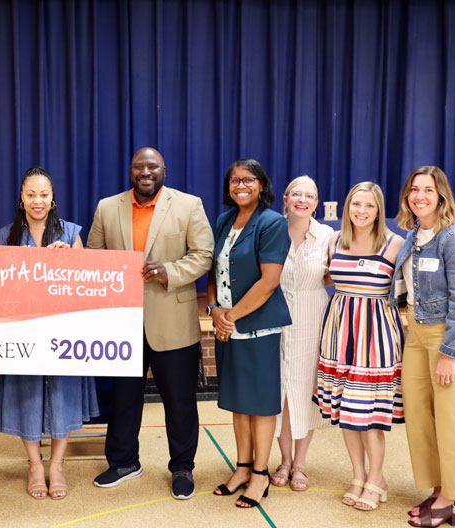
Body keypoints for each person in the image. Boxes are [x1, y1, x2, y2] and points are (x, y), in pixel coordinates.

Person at [86, 147, 214, 500]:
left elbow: (203, 255)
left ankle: (182, 467)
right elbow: (94, 259)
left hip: (173, 320)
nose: (145, 172)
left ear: (164, 170)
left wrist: (169, 271)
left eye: (152, 167)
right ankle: (124, 461)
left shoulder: (189, 205)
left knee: (180, 401)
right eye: (138, 167)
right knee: (123, 398)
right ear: (131, 171)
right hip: (123, 322)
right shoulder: (107, 207)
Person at [0, 166, 100, 500]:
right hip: (22, 333)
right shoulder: (3, 236)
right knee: (27, 395)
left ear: (53, 199)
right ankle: (34, 465)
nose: (37, 201)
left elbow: (90, 283)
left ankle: (57, 465)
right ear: (21, 198)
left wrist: (73, 259)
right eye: (31, 194)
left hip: (62, 332)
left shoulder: (69, 233)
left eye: (44, 194)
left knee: (61, 395)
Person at [390, 166, 455, 528]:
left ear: (441, 195)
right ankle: (439, 487)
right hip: (418, 333)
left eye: (428, 190)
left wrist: (450, 353)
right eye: (414, 190)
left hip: (448, 337)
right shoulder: (413, 236)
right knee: (421, 418)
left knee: (452, 419)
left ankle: (453, 499)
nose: (420, 196)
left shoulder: (453, 238)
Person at [315, 181, 404, 511]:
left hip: (376, 337)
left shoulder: (395, 244)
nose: (361, 211)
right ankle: (358, 475)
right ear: (347, 207)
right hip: (339, 333)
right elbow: (325, 277)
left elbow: (411, 289)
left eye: (368, 205)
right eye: (356, 204)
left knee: (370, 415)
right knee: (348, 412)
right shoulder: (335, 239)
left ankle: (376, 478)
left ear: (379, 210)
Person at [207, 159, 291, 509]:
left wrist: (231, 317)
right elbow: (212, 269)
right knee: (240, 403)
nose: (240, 185)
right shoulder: (224, 220)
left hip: (257, 326)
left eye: (248, 179)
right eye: (234, 180)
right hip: (228, 323)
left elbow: (269, 281)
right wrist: (214, 310)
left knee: (260, 402)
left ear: (261, 185)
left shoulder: (272, 222)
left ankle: (260, 474)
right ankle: (241, 467)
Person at [270, 176, 333, 492]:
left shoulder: (327, 236)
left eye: (310, 195)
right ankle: (283, 460)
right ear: (285, 198)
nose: (303, 199)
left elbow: (338, 273)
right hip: (276, 315)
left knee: (306, 388)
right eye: (297, 193)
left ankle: (300, 464)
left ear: (316, 202)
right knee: (281, 389)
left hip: (312, 316)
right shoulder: (271, 229)